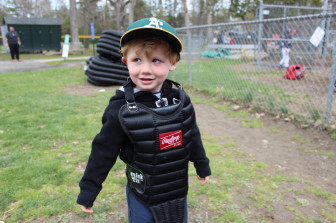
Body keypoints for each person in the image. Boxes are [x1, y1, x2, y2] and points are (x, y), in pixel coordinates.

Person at [77, 17, 211, 223]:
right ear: (125, 62)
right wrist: (89, 189)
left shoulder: (179, 99)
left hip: (176, 190)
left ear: (173, 63)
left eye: (156, 60)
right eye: (137, 60)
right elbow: (103, 150)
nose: (146, 69)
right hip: (143, 195)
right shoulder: (120, 107)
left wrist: (201, 164)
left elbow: (190, 132)